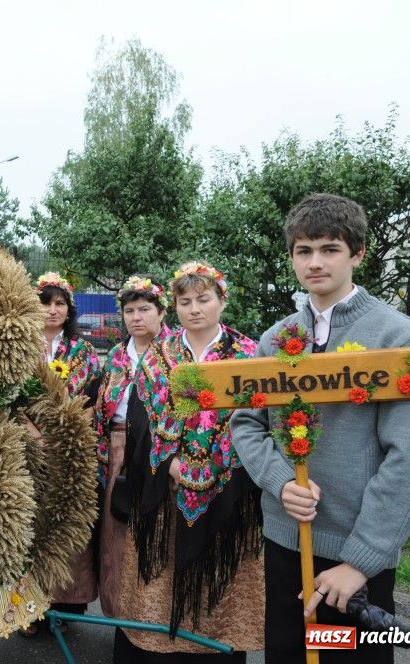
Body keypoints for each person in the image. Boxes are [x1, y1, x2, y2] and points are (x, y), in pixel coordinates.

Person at [232, 194, 410, 664]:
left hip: (352, 562)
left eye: (330, 249)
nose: (315, 262)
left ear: (357, 253)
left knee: (345, 657)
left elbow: (408, 459)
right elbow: (246, 422)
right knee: (290, 652)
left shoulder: (399, 337)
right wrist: (280, 480)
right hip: (285, 543)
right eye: (304, 251)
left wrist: (362, 562)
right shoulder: (276, 339)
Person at [109, 263, 263, 663]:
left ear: (222, 301)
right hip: (167, 483)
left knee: (219, 582)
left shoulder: (248, 354)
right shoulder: (160, 354)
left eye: (203, 299)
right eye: (185, 301)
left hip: (228, 483)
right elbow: (141, 418)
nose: (194, 309)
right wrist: (170, 461)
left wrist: (215, 467)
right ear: (174, 307)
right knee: (156, 582)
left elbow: (256, 420)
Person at [20, 272, 100, 637]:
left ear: (69, 310)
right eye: (45, 303)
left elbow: (89, 398)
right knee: (28, 524)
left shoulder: (82, 352)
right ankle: (26, 608)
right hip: (25, 443)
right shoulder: (19, 346)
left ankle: (67, 605)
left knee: (66, 520)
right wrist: (34, 432)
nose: (52, 310)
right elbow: (10, 395)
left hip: (70, 444)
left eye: (60, 303)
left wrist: (63, 432)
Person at [92, 274, 172, 619]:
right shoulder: (114, 355)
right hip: (117, 446)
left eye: (144, 309)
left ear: (161, 312)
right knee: (115, 531)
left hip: (160, 448)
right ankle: (119, 610)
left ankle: (154, 611)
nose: (136, 317)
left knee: (154, 530)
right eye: (129, 310)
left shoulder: (175, 353)